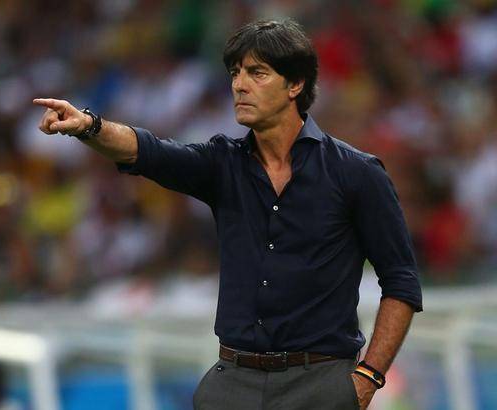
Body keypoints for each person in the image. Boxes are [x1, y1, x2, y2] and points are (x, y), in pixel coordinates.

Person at [33, 18, 422, 410]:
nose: (239, 85)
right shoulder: (222, 164)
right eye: (236, 73)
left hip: (320, 383)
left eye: (257, 73)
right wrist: (89, 125)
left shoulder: (356, 173)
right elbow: (147, 151)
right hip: (232, 384)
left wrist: (368, 377)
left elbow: (401, 281)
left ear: (295, 84)